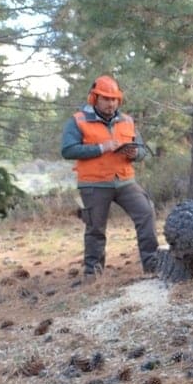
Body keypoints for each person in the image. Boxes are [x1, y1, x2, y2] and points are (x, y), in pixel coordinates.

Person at [61, 75, 159, 278]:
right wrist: (100, 147)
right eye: (106, 98)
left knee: (146, 213)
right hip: (94, 184)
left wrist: (135, 154)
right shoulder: (78, 120)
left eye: (114, 99)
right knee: (95, 229)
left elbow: (141, 151)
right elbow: (68, 150)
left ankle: (153, 268)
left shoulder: (127, 121)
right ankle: (93, 276)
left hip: (124, 181)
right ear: (94, 98)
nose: (110, 103)